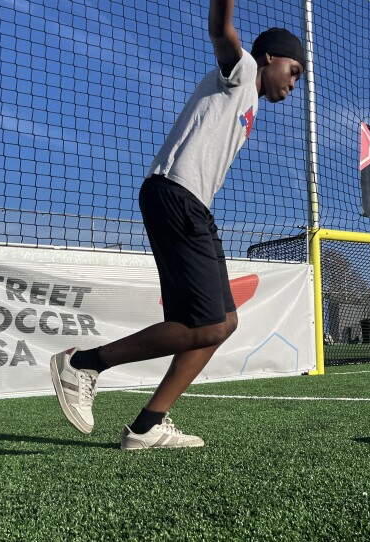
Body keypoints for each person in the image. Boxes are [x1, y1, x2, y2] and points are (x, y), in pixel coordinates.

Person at [49, 1, 306, 450]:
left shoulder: (250, 101)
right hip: (176, 195)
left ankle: (149, 424)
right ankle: (84, 363)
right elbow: (220, 30)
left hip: (192, 206)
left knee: (223, 322)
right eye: (294, 70)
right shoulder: (243, 70)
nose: (294, 83)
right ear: (270, 57)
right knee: (205, 324)